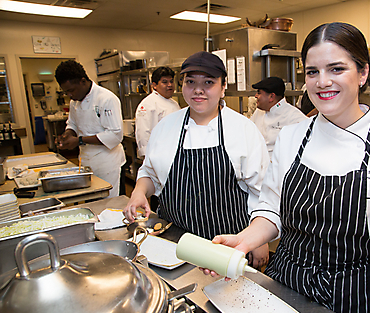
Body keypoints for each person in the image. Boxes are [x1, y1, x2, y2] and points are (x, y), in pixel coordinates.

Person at [205, 23, 370, 313]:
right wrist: (242, 242)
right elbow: (271, 208)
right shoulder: (292, 137)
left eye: (336, 68)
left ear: (363, 73)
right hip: (286, 286)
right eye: (312, 72)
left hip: (354, 297)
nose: (322, 82)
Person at [123, 51, 270, 267]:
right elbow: (150, 173)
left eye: (208, 82)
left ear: (223, 87)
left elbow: (263, 191)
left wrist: (257, 238)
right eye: (190, 82)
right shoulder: (165, 127)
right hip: (173, 242)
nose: (198, 90)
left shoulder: (243, 129)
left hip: (228, 243)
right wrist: (138, 193)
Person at [55, 59, 125, 198]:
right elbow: (73, 123)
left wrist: (79, 141)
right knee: (91, 200)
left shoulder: (106, 98)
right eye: (66, 92)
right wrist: (67, 135)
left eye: (71, 90)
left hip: (108, 163)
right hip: (86, 160)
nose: (69, 95)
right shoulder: (74, 102)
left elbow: (114, 135)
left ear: (82, 81)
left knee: (111, 204)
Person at [251, 76, 307, 158]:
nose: (255, 96)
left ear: (271, 97)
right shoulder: (259, 112)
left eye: (259, 93)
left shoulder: (295, 118)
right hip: (258, 163)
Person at [135, 66, 180, 158]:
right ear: (154, 85)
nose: (169, 85)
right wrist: (147, 157)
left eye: (171, 81)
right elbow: (143, 133)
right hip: (157, 154)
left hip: (173, 153)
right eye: (164, 82)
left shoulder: (174, 103)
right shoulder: (148, 104)